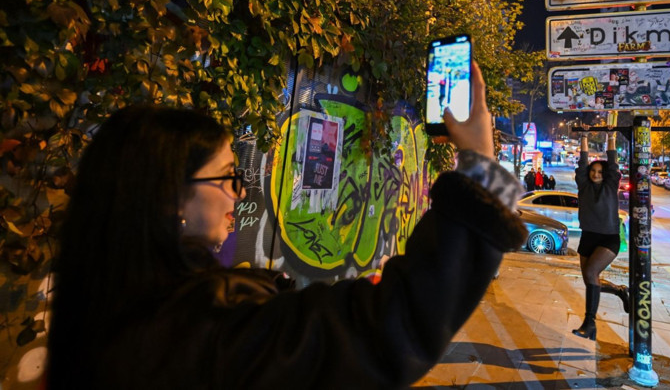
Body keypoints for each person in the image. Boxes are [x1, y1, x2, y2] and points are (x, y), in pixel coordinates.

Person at [47, 61, 527, 388]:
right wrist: (480, 165)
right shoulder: (206, 328)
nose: (238, 190)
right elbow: (389, 329)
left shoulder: (98, 315)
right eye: (226, 177)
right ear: (168, 193)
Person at [572, 130, 629, 341]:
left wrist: (612, 137)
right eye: (593, 171)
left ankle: (589, 323)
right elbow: (582, 163)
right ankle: (620, 291)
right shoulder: (583, 185)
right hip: (588, 237)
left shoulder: (611, 185)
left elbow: (613, 165)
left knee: (591, 274)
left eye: (599, 172)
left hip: (608, 238)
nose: (596, 174)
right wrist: (584, 138)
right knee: (590, 280)